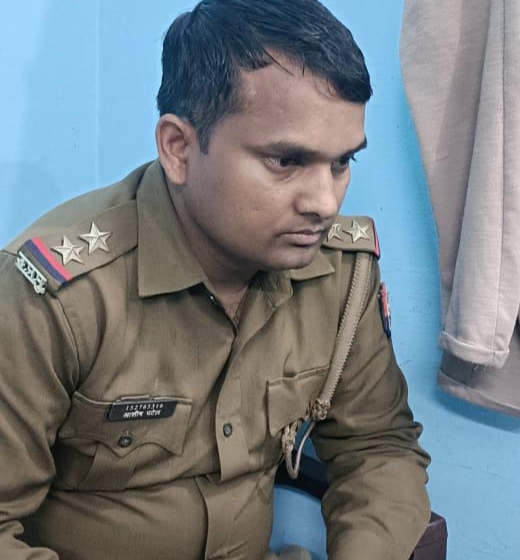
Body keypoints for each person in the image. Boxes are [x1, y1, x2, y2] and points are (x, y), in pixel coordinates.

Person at [0, 0, 430, 559]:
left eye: (342, 162)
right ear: (179, 148)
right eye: (286, 161)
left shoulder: (341, 276)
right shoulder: (58, 297)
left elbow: (378, 447)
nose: (325, 203)